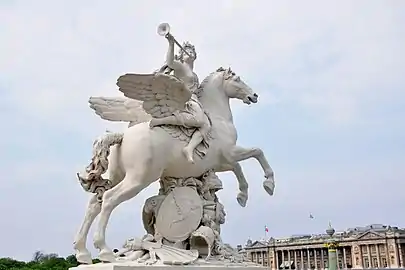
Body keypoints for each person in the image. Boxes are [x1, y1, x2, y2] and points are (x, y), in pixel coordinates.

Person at [150, 35, 211, 163]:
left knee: (206, 125)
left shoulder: (194, 74)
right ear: (182, 56)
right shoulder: (181, 68)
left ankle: (190, 148)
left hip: (195, 101)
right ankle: (160, 121)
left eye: (191, 51)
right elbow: (170, 62)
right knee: (199, 120)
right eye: (186, 51)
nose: (189, 53)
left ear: (195, 55)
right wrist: (171, 44)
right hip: (186, 101)